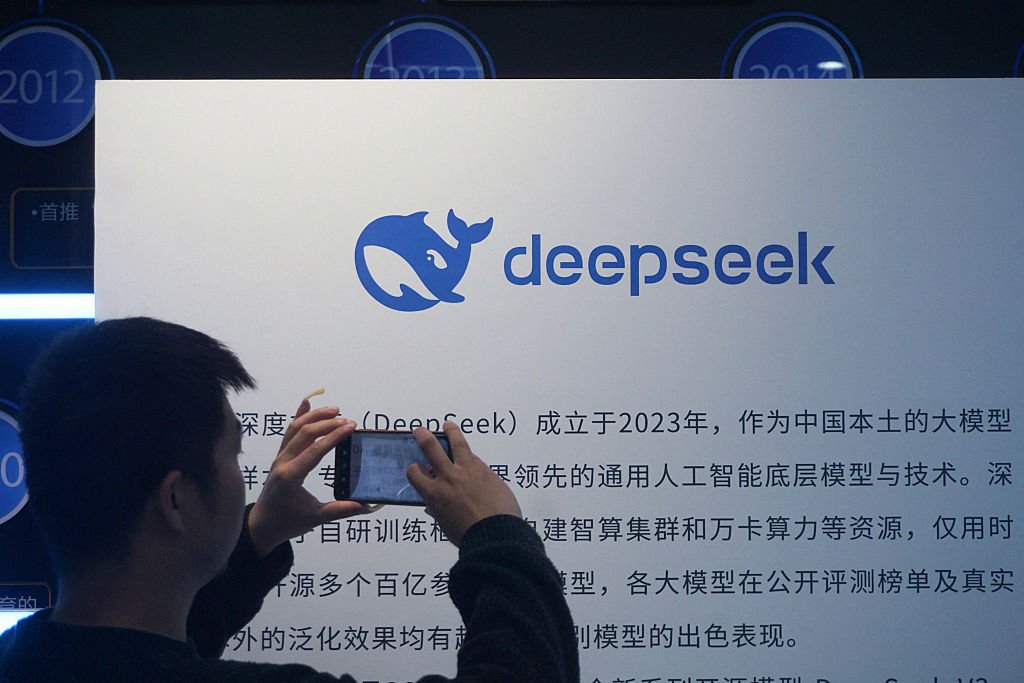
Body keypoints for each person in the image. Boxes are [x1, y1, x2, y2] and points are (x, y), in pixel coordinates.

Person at [0, 317, 579, 682]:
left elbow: (137, 657)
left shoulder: (21, 658)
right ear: (176, 499)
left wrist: (258, 533)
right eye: (234, 455)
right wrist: (497, 536)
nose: (245, 479)